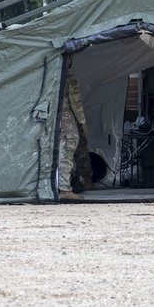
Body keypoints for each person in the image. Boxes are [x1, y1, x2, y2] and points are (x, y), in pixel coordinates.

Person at [58, 58, 88, 201]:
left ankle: (56, 186)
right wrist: (82, 122)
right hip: (66, 119)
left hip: (51, 120)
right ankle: (64, 189)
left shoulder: (51, 75)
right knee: (68, 150)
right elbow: (75, 101)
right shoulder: (68, 77)